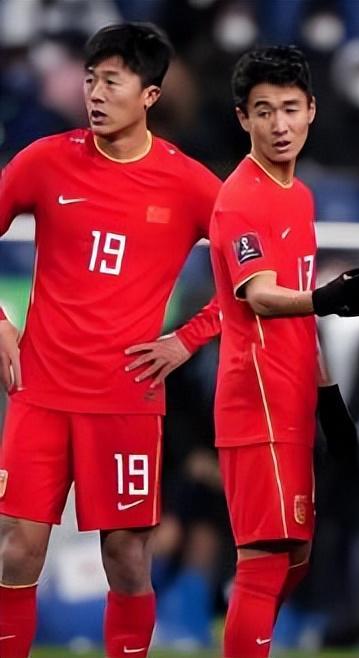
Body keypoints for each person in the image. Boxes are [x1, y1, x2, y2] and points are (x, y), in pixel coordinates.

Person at [0, 23, 222, 658]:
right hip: (41, 390)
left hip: (126, 399)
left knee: (126, 557)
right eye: (91, 79)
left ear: (149, 94)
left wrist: (188, 339)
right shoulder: (44, 160)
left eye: (112, 81)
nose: (95, 93)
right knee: (17, 548)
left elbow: (256, 276)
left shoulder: (188, 183)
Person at [208, 45, 359, 657]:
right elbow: (260, 296)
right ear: (243, 118)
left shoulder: (299, 196)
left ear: (311, 110)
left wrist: (330, 402)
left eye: (289, 108)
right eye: (263, 111)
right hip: (254, 398)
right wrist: (328, 297)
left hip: (292, 398)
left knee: (296, 555)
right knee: (265, 559)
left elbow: (303, 316)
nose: (278, 125)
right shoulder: (240, 198)